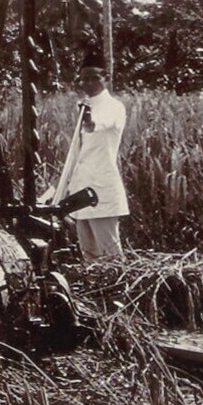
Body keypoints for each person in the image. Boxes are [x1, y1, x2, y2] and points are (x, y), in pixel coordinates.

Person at [65, 58, 129, 260]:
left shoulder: (114, 107)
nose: (89, 83)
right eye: (84, 79)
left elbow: (97, 125)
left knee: (110, 253)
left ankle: (118, 281)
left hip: (102, 190)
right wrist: (64, 186)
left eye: (94, 78)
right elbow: (76, 153)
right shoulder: (83, 106)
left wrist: (88, 121)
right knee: (89, 254)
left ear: (106, 78)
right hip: (81, 190)